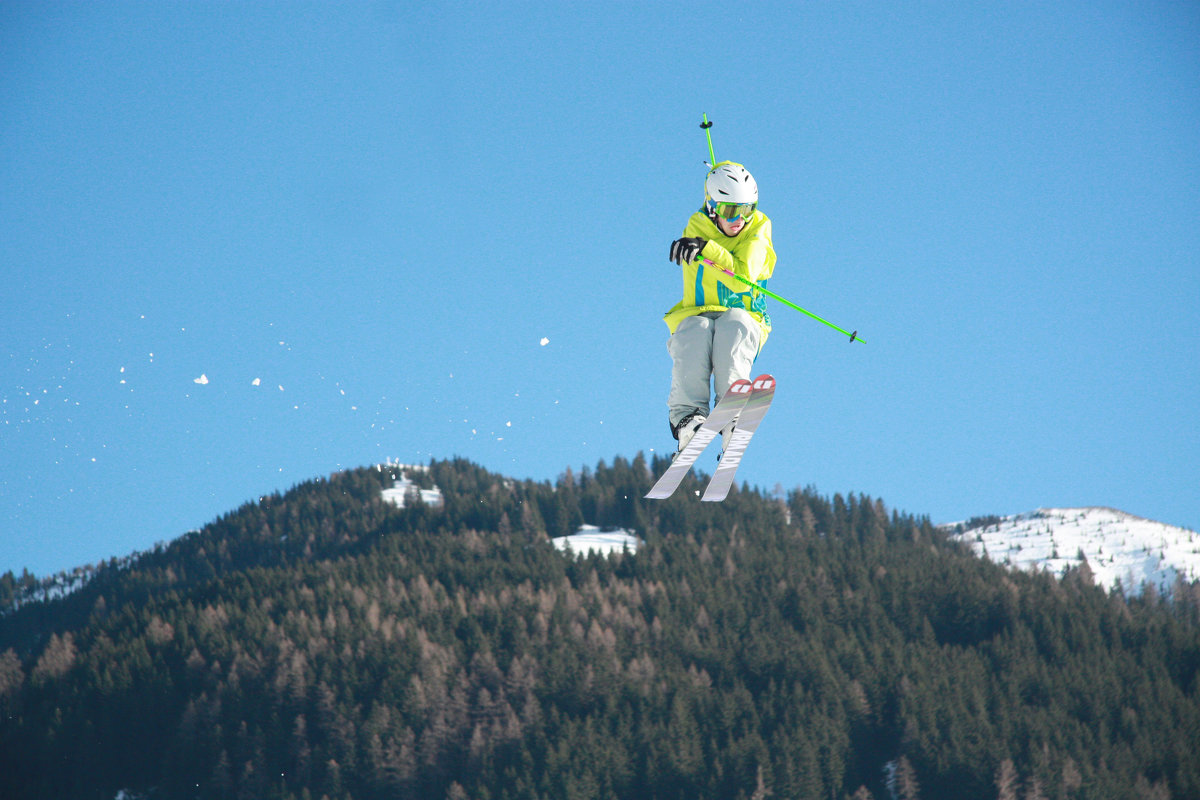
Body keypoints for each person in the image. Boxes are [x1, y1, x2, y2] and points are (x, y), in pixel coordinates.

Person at [665, 160, 776, 454]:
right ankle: (688, 419)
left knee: (733, 326)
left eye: (747, 208)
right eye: (730, 210)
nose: (739, 218)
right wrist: (697, 245)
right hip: (700, 311)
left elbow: (741, 278)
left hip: (746, 315)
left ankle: (731, 412)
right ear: (712, 207)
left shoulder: (759, 230)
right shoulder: (697, 225)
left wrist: (706, 248)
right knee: (693, 330)